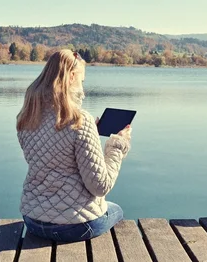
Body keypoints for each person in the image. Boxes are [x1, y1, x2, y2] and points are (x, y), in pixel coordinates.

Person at [17, 49, 132, 242]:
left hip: (33, 220)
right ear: (71, 77)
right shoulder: (80, 121)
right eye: (82, 81)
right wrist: (117, 145)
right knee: (116, 210)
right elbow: (100, 186)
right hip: (74, 226)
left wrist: (90, 135)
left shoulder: (27, 117)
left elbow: (54, 152)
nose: (83, 89)